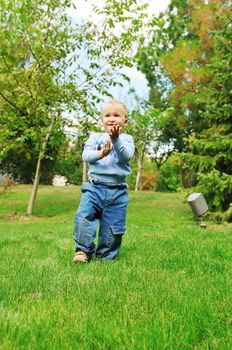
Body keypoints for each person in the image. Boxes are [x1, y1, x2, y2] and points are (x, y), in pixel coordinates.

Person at [73, 99, 134, 263]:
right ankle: (83, 250)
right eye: (107, 115)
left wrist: (115, 140)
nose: (112, 118)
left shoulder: (127, 139)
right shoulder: (95, 137)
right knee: (84, 217)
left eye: (117, 115)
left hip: (117, 192)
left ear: (125, 120)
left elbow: (125, 156)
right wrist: (101, 154)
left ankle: (105, 256)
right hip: (94, 188)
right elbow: (86, 156)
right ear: (102, 120)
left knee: (113, 227)